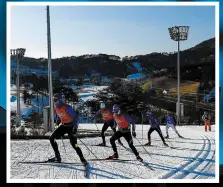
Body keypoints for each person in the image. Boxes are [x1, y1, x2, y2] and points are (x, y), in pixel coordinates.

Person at [48, 93, 88, 166]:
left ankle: (82, 159)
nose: (54, 101)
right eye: (53, 100)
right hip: (64, 126)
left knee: (74, 145)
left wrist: (75, 129)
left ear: (60, 100)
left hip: (71, 127)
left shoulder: (67, 107)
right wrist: (58, 120)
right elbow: (59, 114)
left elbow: (75, 117)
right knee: (51, 138)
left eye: (55, 100)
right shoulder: (55, 107)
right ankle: (58, 157)